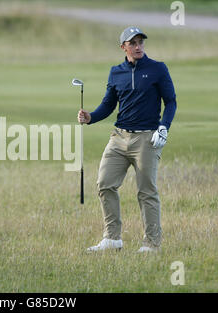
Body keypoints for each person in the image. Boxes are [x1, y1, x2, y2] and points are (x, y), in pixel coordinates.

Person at [77, 26, 177, 253]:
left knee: (146, 191)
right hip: (119, 137)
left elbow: (170, 101)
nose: (138, 46)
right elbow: (109, 105)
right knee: (104, 184)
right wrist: (91, 117)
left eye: (141, 42)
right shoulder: (116, 72)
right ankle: (112, 239)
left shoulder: (158, 69)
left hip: (147, 138)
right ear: (123, 47)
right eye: (133, 43)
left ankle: (152, 243)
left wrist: (164, 127)